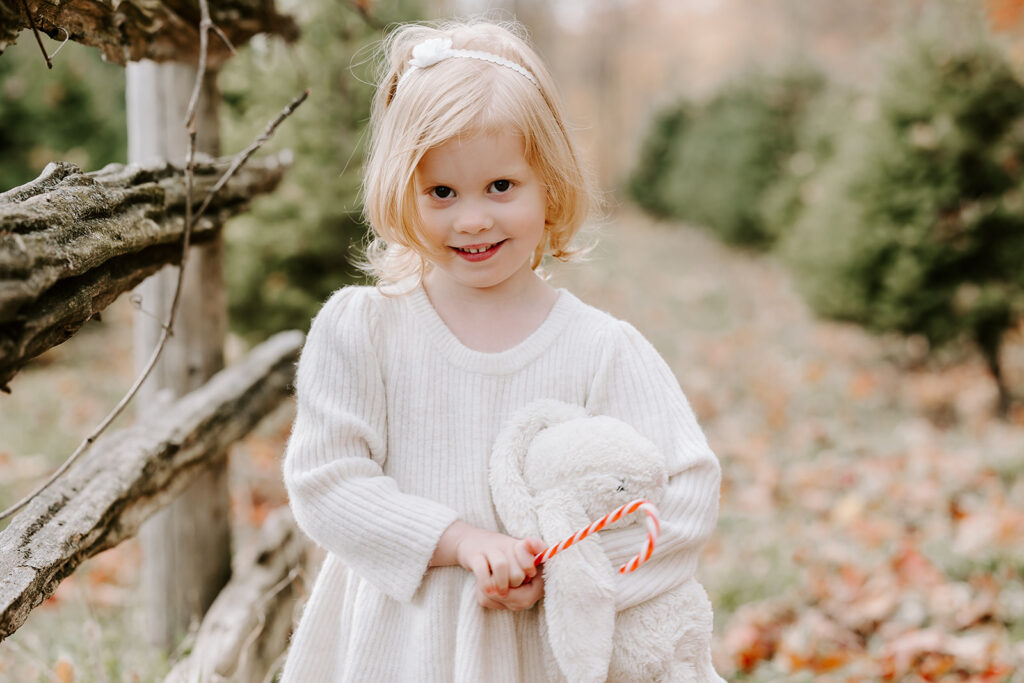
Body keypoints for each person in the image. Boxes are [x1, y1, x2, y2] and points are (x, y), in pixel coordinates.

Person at [281, 18, 721, 682]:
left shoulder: (599, 348)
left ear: (550, 186)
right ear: (403, 190)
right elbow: (326, 481)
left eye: (501, 187)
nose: (473, 218)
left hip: (541, 655)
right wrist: (458, 543)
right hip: (401, 648)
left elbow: (685, 491)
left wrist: (568, 573)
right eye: (442, 192)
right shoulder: (363, 330)